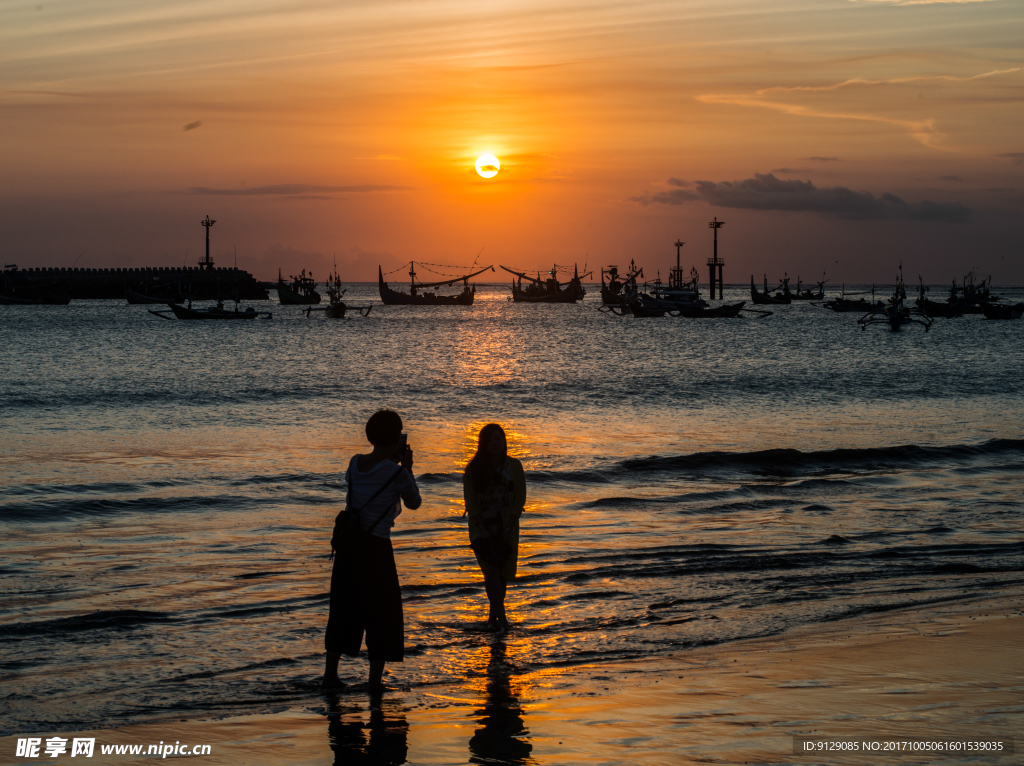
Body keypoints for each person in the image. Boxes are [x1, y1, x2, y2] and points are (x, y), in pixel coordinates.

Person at [323, 409, 421, 692]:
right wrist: (408, 467)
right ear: (396, 440)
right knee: (382, 614)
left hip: (349, 549)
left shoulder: (354, 463)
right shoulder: (398, 472)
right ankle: (374, 682)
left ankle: (330, 676)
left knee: (343, 610)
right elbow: (414, 503)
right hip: (376, 549)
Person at [463, 423, 526, 632]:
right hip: (481, 529)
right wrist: (481, 527)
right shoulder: (473, 470)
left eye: (497, 439)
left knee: (501, 574)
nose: (494, 444)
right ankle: (503, 620)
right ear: (482, 444)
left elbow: (519, 499)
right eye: (489, 440)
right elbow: (470, 502)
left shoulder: (514, 466)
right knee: (490, 573)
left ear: (504, 441)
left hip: (507, 527)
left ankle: (492, 619)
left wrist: (508, 527)